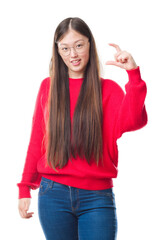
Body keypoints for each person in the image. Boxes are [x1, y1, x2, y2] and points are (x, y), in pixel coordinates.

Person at [17, 17, 148, 240]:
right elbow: (37, 139)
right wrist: (24, 187)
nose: (73, 55)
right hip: (53, 194)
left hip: (97, 197)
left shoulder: (107, 89)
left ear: (90, 44)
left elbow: (134, 120)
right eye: (65, 48)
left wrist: (133, 73)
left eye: (79, 45)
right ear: (57, 51)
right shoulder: (48, 87)